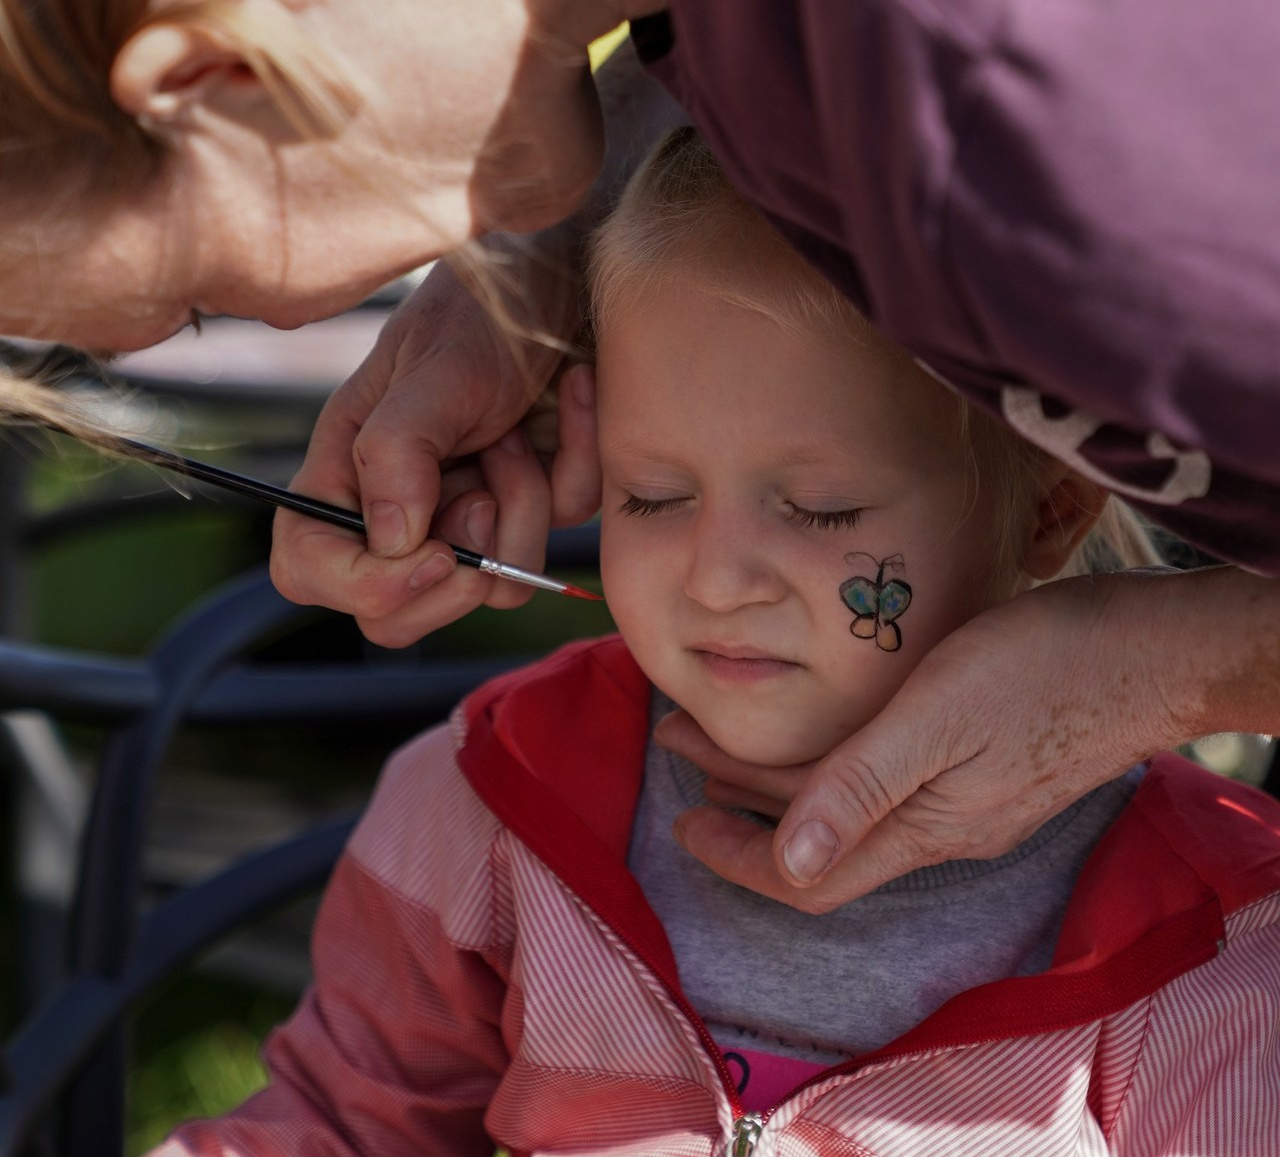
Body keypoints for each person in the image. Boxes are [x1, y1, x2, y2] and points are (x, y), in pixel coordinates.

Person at [14, 128, 1280, 1157]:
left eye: (822, 509)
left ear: (1049, 510)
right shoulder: (500, 795)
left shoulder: (1204, 940)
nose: (716, 578)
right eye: (652, 495)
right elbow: (340, 1143)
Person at [3, 1, 1280, 911]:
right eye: (650, 492)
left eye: (197, 297)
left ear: (208, 77)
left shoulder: (1052, 144)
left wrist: (1169, 665)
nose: (293, 325)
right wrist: (545, 248)